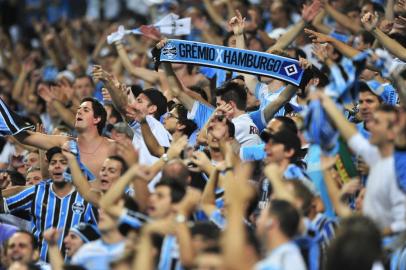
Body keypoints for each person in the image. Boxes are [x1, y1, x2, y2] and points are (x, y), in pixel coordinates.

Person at [0, 147, 98, 261]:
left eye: (63, 162)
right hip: (40, 265)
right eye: (53, 163)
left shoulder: (87, 196)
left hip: (75, 266)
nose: (57, 166)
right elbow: (2, 208)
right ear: (49, 168)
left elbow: (101, 233)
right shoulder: (36, 192)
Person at [255, 199, 306, 270]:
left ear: (271, 223)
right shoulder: (288, 256)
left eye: (261, 216)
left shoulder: (280, 262)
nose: (257, 221)